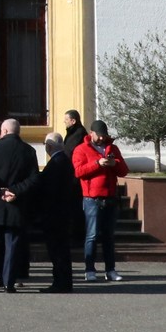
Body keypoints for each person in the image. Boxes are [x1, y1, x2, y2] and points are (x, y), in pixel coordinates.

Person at [0, 119, 37, 292]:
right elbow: (33, 178)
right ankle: (8, 282)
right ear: (18, 132)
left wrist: (0, 191)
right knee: (12, 243)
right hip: (16, 203)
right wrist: (14, 191)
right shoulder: (29, 151)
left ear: (3, 131)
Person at [72, 120, 129, 282]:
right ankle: (89, 270)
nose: (102, 139)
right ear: (91, 133)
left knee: (109, 236)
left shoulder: (113, 149)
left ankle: (110, 270)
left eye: (104, 135)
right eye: (99, 135)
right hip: (92, 198)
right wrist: (97, 163)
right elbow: (78, 172)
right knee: (92, 235)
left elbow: (124, 171)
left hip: (110, 197)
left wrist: (114, 164)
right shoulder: (81, 149)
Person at [25, 129, 81, 293]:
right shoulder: (63, 161)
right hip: (61, 213)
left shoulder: (57, 164)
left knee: (58, 250)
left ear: (49, 147)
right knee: (60, 250)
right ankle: (63, 281)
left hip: (55, 214)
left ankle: (61, 283)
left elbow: (50, 190)